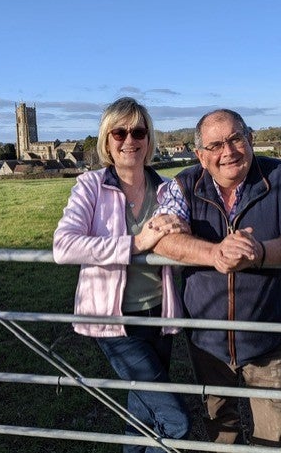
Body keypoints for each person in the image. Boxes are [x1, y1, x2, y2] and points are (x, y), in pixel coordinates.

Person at [153, 108, 281, 447]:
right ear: (200, 154)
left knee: (275, 438)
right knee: (221, 434)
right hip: (206, 343)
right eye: (215, 145)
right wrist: (214, 254)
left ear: (250, 139)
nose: (228, 151)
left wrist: (261, 252)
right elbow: (162, 236)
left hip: (267, 339)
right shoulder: (183, 184)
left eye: (236, 138)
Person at [53, 97, 191, 452]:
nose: (130, 139)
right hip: (112, 320)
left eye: (139, 131)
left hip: (158, 314)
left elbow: (183, 236)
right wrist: (135, 242)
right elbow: (64, 246)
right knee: (175, 419)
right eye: (120, 131)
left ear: (149, 139)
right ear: (107, 140)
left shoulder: (168, 189)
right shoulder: (90, 186)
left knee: (142, 415)